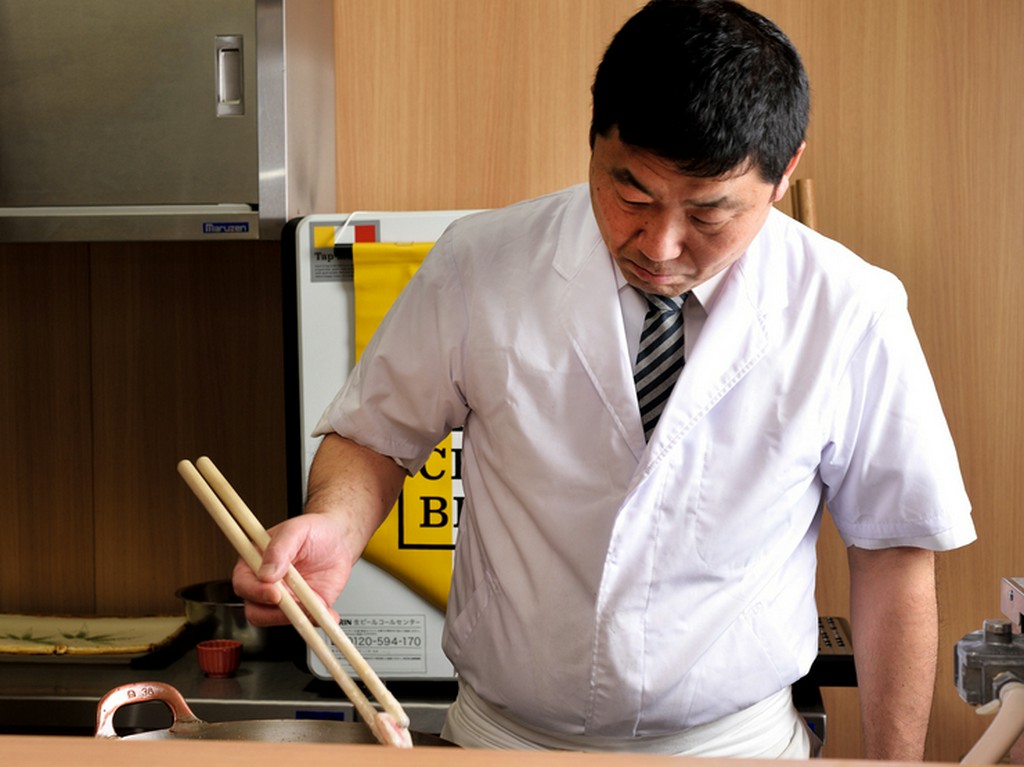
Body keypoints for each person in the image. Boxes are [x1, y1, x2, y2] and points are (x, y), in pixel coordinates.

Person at [235, 0, 975, 758]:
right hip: (504, 741)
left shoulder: (850, 307)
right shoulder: (479, 262)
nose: (660, 244)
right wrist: (335, 523)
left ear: (785, 174)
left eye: (710, 212)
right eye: (631, 195)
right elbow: (374, 437)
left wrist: (896, 765)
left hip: (732, 748)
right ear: (593, 144)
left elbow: (893, 553)